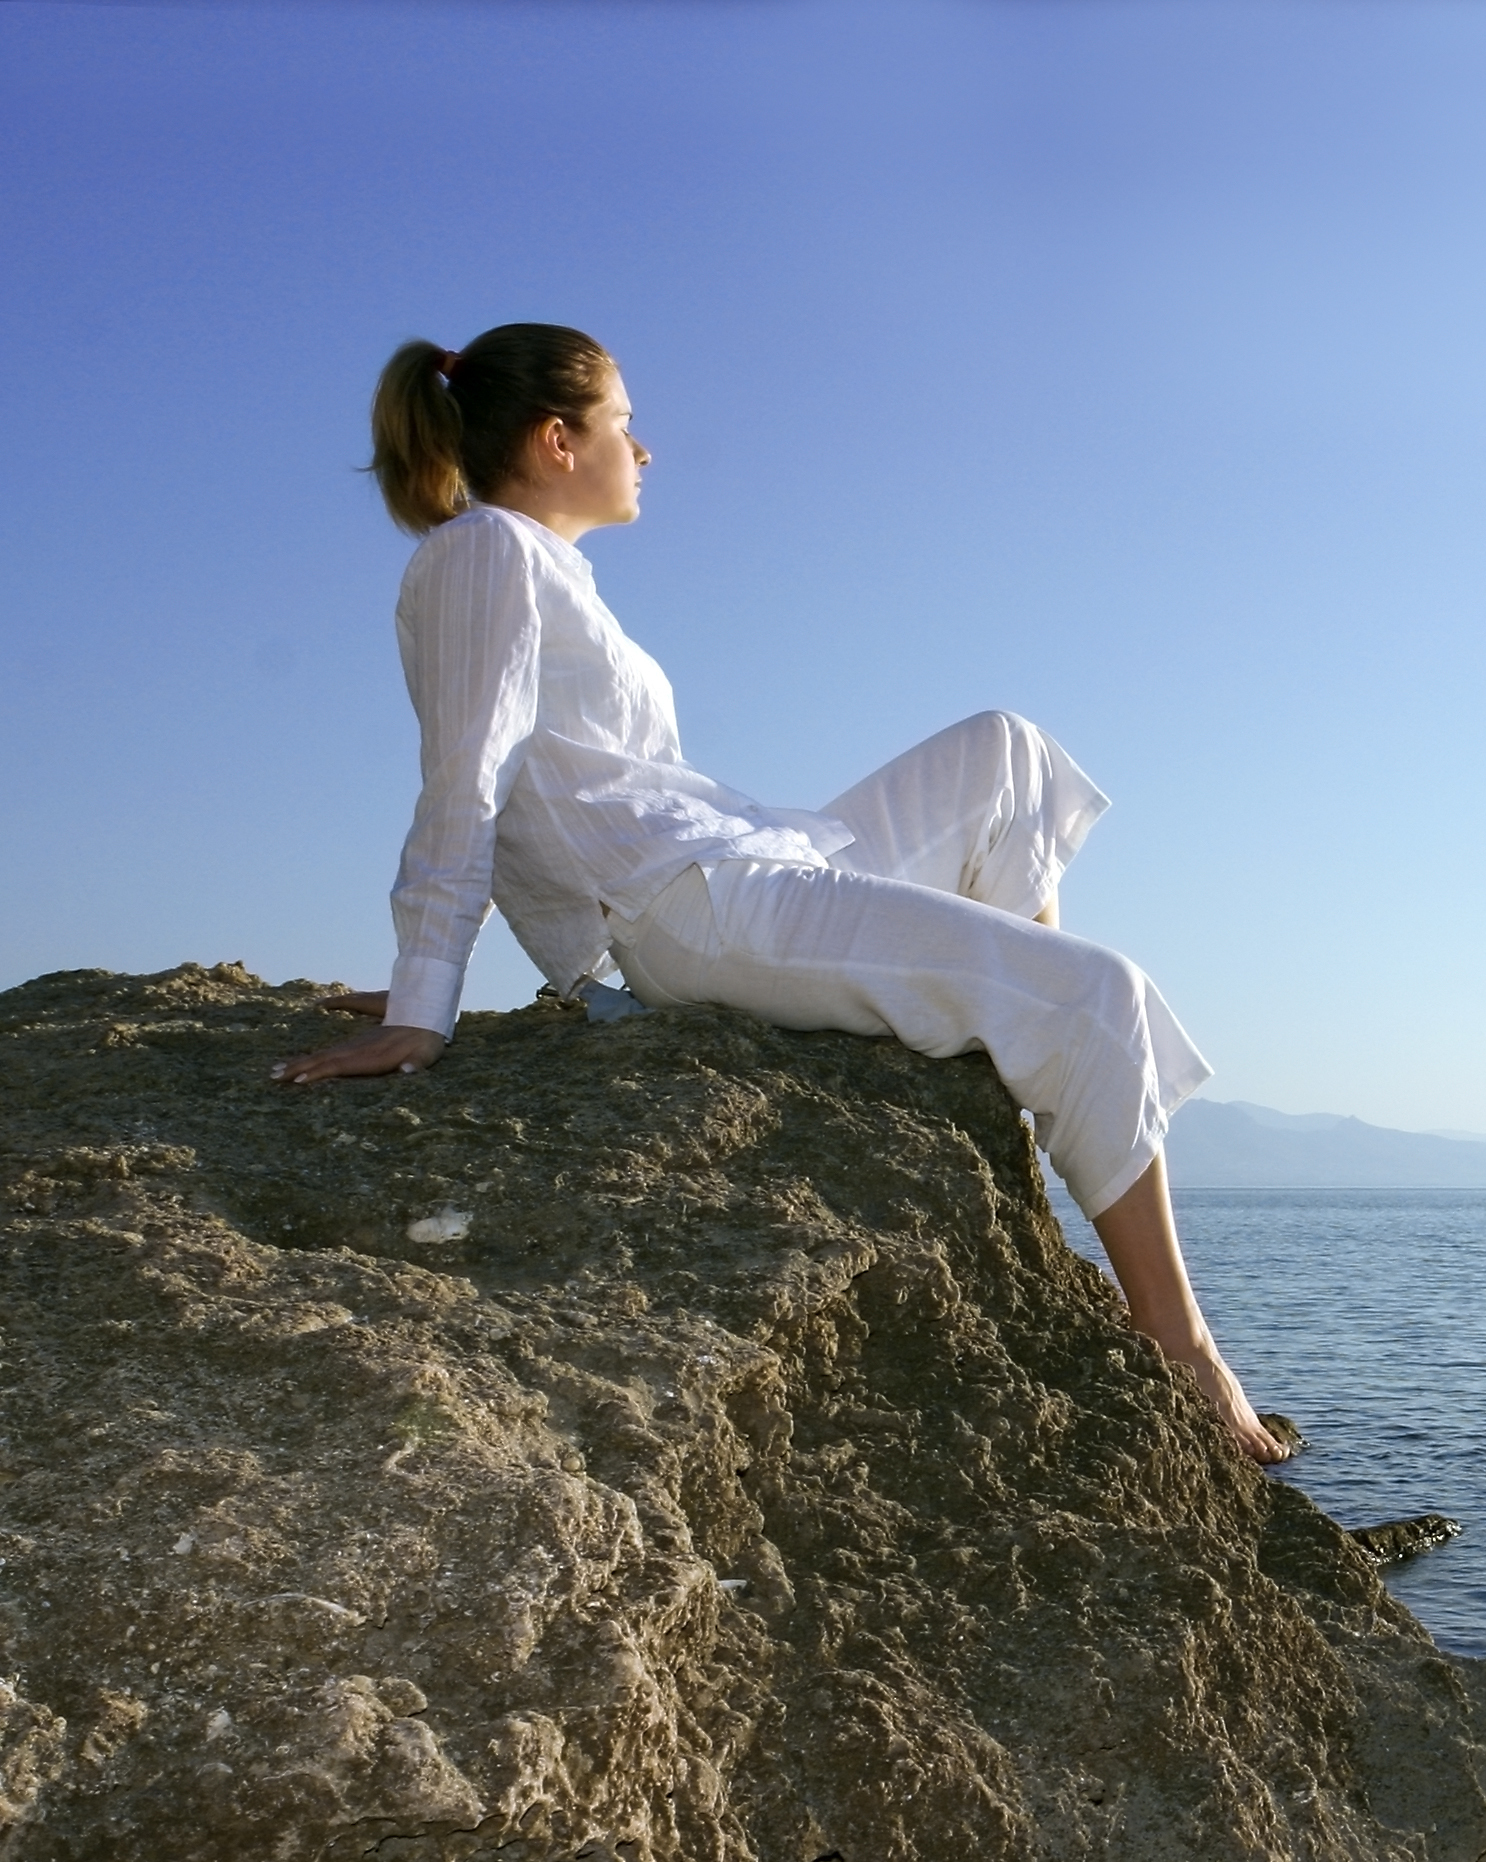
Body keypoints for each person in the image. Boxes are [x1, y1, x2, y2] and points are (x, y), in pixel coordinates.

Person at [273, 322, 1292, 1465]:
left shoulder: (539, 564)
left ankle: (1009, 1044)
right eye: (621, 424)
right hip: (691, 908)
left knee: (1009, 751)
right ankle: (1176, 1337)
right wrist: (426, 995)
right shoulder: (485, 555)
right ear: (558, 441)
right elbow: (466, 774)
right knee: (1101, 992)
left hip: (748, 859)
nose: (645, 449)